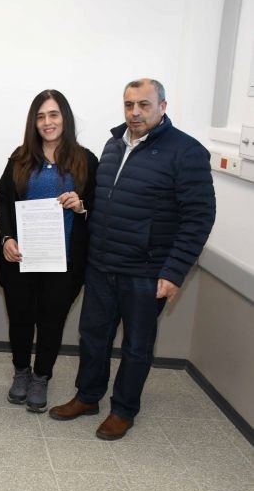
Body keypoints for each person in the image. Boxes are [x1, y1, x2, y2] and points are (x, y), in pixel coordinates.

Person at [49, 78, 215, 440]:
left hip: (147, 271)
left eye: (143, 104)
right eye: (128, 105)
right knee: (92, 336)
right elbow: (108, 204)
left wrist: (173, 272)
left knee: (137, 345)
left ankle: (124, 409)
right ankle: (88, 396)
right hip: (102, 264)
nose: (135, 112)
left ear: (162, 107)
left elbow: (199, 217)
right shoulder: (112, 145)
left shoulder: (186, 152)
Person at [0, 89, 98, 413]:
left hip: (64, 262)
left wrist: (82, 205)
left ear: (64, 118)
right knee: (21, 320)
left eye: (53, 114)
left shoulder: (86, 160)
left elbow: (100, 205)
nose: (47, 122)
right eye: (40, 116)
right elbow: (2, 201)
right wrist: (7, 238)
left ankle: (42, 377)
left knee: (52, 322)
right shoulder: (20, 158)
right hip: (22, 259)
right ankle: (22, 373)